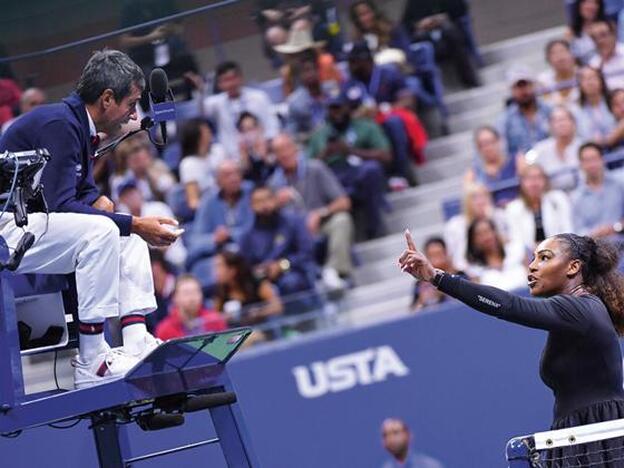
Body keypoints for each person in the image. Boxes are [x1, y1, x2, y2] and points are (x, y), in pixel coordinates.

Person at [0, 50, 180, 388]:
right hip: (7, 229)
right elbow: (60, 205)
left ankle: (137, 339)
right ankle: (93, 357)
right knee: (105, 231)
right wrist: (135, 222)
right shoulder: (60, 124)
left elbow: (74, 195)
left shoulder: (77, 125)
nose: (133, 113)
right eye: (131, 103)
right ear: (107, 98)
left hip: (31, 225)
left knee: (123, 233)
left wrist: (102, 202)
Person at [399, 230, 624, 464]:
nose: (532, 266)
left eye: (545, 257)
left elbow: (507, 305)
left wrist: (437, 277)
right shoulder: (577, 311)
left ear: (573, 267)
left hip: (598, 438)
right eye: (534, 258)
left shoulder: (579, 310)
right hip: (576, 437)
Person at [270, 132, 354, 289]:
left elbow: (344, 202)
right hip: (292, 236)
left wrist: (319, 214)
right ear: (275, 156)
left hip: (320, 225)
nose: (284, 153)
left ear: (295, 149)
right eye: (279, 151)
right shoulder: (274, 184)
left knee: (342, 220)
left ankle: (335, 271)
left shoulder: (315, 168)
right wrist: (276, 205)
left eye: (287, 147)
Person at [307, 93, 389, 240]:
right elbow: (307, 169)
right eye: (332, 109)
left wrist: (351, 151)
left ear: (348, 108)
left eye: (339, 108)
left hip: (357, 172)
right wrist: (324, 154)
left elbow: (386, 155)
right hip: (331, 177)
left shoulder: (365, 126)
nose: (336, 113)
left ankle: (374, 228)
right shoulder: (319, 134)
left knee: (371, 170)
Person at [187, 160, 255, 291]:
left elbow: (258, 229)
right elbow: (195, 240)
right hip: (219, 255)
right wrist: (214, 239)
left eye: (237, 173)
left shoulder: (252, 192)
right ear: (217, 180)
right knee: (201, 271)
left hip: (248, 251)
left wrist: (231, 234)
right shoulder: (208, 201)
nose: (234, 178)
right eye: (227, 175)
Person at [239, 185, 317, 298]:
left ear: (275, 199)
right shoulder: (247, 236)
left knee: (290, 282)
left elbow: (306, 253)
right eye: (258, 202)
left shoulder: (294, 222)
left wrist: (282, 265)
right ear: (251, 206)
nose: (264, 205)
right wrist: (260, 271)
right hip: (263, 282)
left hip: (294, 272)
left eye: (268, 199)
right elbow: (245, 267)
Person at [203, 61, 280, 159]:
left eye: (233, 78)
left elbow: (272, 125)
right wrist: (201, 91)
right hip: (233, 158)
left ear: (241, 78)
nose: (231, 83)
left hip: (264, 151)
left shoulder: (259, 97)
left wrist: (266, 146)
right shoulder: (216, 104)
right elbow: (202, 112)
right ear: (219, 84)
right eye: (226, 80)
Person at [401, 0, 480, 88]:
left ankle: (469, 80)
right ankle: (431, 87)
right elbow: (407, 23)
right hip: (426, 36)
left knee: (452, 36)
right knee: (422, 43)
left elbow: (459, 11)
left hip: (447, 32)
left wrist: (440, 19)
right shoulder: (413, 3)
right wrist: (420, 24)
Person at [505, 164, 573, 252]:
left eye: (538, 177)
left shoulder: (558, 199)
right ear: (522, 182)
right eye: (529, 178)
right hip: (529, 256)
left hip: (559, 251)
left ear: (545, 180)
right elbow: (516, 240)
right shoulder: (513, 208)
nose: (534, 183)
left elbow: (567, 230)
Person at [444, 183, 509, 271]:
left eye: (484, 196)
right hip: (468, 270)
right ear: (467, 202)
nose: (481, 201)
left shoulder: (500, 216)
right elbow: (454, 258)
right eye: (475, 198)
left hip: (504, 266)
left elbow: (508, 245)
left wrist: (491, 221)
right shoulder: (455, 225)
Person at [213, 250, 283, 327]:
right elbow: (214, 317)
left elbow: (278, 307)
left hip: (262, 328)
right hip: (237, 333)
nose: (215, 272)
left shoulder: (256, 281)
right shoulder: (221, 290)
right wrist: (224, 318)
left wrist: (260, 313)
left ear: (232, 270)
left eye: (219, 266)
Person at [572, 142, 624, 237]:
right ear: (581, 164)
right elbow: (577, 231)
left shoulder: (620, 184)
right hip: (594, 247)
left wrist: (616, 227)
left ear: (602, 160)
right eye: (587, 160)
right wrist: (595, 233)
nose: (592, 164)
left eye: (594, 159)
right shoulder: (576, 197)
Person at [500, 64, 552, 159]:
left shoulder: (550, 110)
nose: (523, 91)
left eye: (526, 85)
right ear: (511, 90)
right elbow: (503, 151)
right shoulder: (505, 121)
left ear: (533, 86)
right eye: (518, 87)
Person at [526, 106, 582, 191]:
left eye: (564, 119)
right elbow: (527, 165)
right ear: (550, 125)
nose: (561, 124)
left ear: (573, 123)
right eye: (556, 121)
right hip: (551, 196)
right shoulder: (540, 148)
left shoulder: (583, 146)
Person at [155, 274, 227, 341]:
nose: (192, 298)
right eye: (186, 293)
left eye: (196, 292)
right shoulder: (164, 330)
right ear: (175, 297)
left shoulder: (215, 320)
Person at [178, 118, 228, 211]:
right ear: (197, 137)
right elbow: (193, 202)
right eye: (206, 131)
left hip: (230, 198)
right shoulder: (188, 164)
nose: (210, 132)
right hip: (210, 208)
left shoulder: (218, 150)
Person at [464, 218, 528, 291]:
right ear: (473, 241)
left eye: (487, 231)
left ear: (495, 232)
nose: (485, 237)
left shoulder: (516, 250)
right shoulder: (474, 270)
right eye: (479, 234)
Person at [463, 126, 517, 206]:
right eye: (483, 145)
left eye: (491, 142)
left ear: (499, 141)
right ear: (478, 148)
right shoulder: (472, 174)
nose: (488, 148)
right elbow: (468, 196)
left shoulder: (517, 161)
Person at [411, 237, 466, 312]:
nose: (436, 260)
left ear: (446, 254)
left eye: (438, 254)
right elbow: (414, 311)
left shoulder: (460, 276)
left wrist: (442, 290)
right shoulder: (420, 285)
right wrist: (421, 301)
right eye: (432, 256)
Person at [572, 65, 617, 143]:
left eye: (593, 78)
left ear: (601, 80)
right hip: (591, 149)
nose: (590, 82)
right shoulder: (575, 109)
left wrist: (613, 136)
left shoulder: (615, 99)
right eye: (584, 79)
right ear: (580, 85)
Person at [380, 418, 444, 468]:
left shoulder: (430, 466)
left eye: (395, 432)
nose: (391, 439)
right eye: (385, 435)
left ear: (409, 435)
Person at [237, 111, 276, 185]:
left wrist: (263, 155)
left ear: (260, 128)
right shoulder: (243, 153)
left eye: (251, 129)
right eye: (244, 131)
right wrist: (244, 157)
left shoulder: (273, 145)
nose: (249, 134)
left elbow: (274, 168)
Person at [537, 40, 579, 106]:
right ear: (548, 59)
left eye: (563, 51)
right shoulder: (543, 81)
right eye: (554, 53)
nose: (560, 57)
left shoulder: (584, 75)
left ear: (572, 55)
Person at [589, 20, 624, 90]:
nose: (600, 41)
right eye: (595, 38)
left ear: (613, 34)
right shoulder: (594, 64)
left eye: (603, 35)